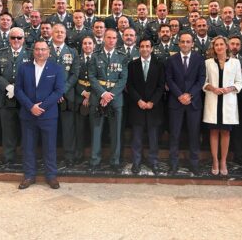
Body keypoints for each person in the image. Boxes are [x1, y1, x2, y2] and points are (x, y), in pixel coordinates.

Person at [16, 40, 65, 190]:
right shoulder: (24, 68)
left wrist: (41, 107)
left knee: (49, 147)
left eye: (43, 49)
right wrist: (31, 106)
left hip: (48, 115)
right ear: (33, 51)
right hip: (28, 113)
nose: (40, 52)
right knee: (28, 146)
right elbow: (18, 90)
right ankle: (29, 176)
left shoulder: (56, 68)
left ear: (48, 51)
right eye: (37, 49)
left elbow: (59, 91)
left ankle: (51, 176)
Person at [165, 33, 206, 175]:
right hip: (176, 102)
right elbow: (169, 79)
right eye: (182, 41)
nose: (185, 44)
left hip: (193, 102)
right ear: (179, 43)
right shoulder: (171, 59)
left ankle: (194, 163)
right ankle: (174, 163)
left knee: (194, 134)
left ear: (192, 43)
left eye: (188, 42)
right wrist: (180, 95)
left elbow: (201, 79)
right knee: (174, 134)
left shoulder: (200, 59)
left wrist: (190, 95)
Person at [88, 29, 128, 172]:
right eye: (109, 37)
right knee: (96, 131)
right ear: (104, 39)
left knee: (116, 131)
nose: (111, 40)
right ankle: (94, 161)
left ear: (117, 40)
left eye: (114, 38)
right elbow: (91, 77)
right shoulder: (95, 56)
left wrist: (110, 95)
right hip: (98, 98)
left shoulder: (122, 57)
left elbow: (123, 79)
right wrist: (103, 93)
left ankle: (115, 161)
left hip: (115, 99)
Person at [202, 36, 242, 176]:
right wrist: (212, 88)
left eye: (221, 44)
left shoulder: (235, 63)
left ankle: (223, 161)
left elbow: (239, 83)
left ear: (227, 46)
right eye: (216, 45)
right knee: (213, 131)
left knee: (225, 132)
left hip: (228, 101)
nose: (219, 47)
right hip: (213, 100)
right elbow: (203, 81)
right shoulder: (208, 63)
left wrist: (230, 89)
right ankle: (215, 161)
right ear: (214, 48)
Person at [127, 38, 165, 175]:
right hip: (137, 106)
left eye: (147, 46)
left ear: (152, 48)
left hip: (153, 107)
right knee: (136, 138)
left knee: (153, 138)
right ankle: (136, 162)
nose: (145, 49)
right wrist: (139, 100)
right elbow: (129, 85)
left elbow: (161, 87)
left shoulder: (159, 65)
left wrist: (152, 102)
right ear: (139, 48)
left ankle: (153, 161)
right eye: (142, 46)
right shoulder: (132, 65)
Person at [0, 27, 31, 165]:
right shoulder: (0, 53)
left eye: (19, 38)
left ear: (23, 38)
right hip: (6, 98)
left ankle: (26, 158)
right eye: (13, 37)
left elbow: (35, 75)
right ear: (9, 39)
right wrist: (8, 87)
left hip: (25, 100)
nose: (16, 40)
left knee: (26, 130)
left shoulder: (30, 53)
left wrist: (19, 89)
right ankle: (9, 158)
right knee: (8, 130)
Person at [49, 23, 80, 167]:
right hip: (48, 96)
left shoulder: (72, 52)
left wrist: (61, 90)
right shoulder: (44, 50)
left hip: (67, 96)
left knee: (68, 128)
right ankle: (50, 155)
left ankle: (69, 155)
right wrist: (53, 92)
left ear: (65, 34)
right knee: (50, 127)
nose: (59, 34)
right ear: (51, 34)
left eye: (62, 32)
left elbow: (74, 74)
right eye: (56, 32)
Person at [74, 35, 96, 163]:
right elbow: (73, 78)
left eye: (89, 43)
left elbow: (100, 79)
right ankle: (79, 154)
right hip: (80, 97)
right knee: (79, 128)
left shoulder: (98, 59)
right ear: (82, 46)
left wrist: (91, 94)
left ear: (94, 45)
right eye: (85, 43)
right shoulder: (77, 59)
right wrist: (83, 92)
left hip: (95, 97)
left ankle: (94, 154)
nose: (87, 46)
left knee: (94, 128)